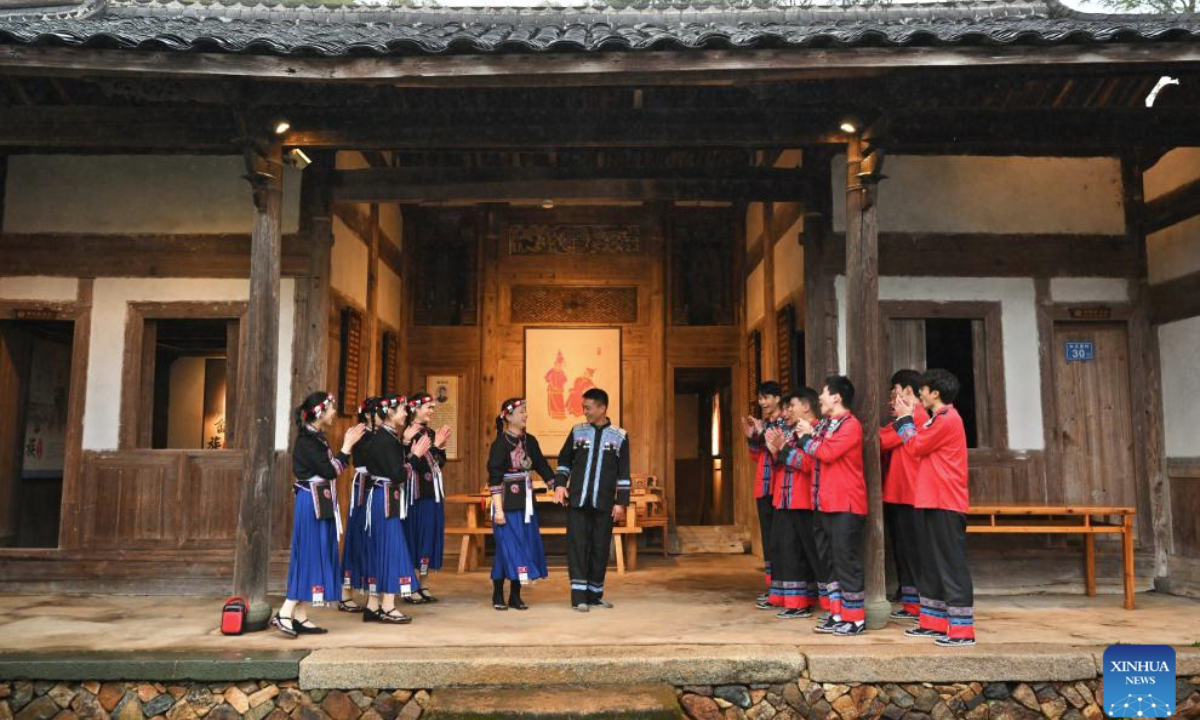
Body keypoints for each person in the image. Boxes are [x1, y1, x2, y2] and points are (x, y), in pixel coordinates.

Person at [271, 391, 366, 638]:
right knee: (310, 554)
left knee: (313, 553)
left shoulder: (316, 438)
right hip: (311, 503)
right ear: (320, 412)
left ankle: (300, 615)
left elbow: (331, 469)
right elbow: (330, 471)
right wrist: (346, 447)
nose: (334, 412)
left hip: (318, 502)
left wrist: (345, 449)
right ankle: (285, 612)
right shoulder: (307, 442)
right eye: (331, 408)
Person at [893, 368, 976, 647]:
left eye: (924, 390)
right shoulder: (937, 418)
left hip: (946, 500)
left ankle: (962, 630)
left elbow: (915, 447)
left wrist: (905, 418)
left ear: (936, 393)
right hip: (931, 498)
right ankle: (933, 622)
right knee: (930, 563)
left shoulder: (947, 418)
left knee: (951, 565)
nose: (921, 394)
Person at [791, 375, 868, 636]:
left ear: (836, 397)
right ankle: (837, 613)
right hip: (823, 502)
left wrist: (806, 438)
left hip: (845, 504)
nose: (820, 398)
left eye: (823, 393)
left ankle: (855, 619)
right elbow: (814, 452)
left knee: (845, 561)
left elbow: (826, 453)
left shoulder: (851, 425)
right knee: (830, 562)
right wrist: (807, 436)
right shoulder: (826, 424)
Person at [553, 387, 630, 612]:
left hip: (604, 503)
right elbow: (564, 460)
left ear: (602, 408)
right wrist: (560, 484)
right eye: (583, 407)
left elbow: (623, 472)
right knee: (577, 547)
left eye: (588, 408)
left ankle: (595, 595)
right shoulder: (577, 431)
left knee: (600, 549)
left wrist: (621, 502)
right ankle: (579, 597)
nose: (584, 411)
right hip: (577, 502)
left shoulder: (620, 436)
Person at [364, 394, 432, 624]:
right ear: (390, 413)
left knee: (381, 549)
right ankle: (388, 606)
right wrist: (415, 456)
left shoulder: (386, 437)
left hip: (382, 497)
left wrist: (404, 446)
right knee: (392, 549)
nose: (406, 413)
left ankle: (373, 605)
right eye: (403, 409)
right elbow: (398, 474)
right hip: (385, 498)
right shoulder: (386, 439)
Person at [487, 397, 556, 610]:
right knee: (506, 546)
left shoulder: (530, 441)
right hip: (505, 505)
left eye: (526, 411)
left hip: (526, 505)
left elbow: (542, 466)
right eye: (521, 412)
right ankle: (498, 592)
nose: (526, 415)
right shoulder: (500, 444)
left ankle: (515, 595)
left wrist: (557, 487)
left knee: (524, 543)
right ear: (508, 417)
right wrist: (498, 511)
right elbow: (494, 478)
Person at [763, 388, 823, 619]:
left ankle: (812, 602)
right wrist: (775, 451)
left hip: (804, 499)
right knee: (787, 551)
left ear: (806, 406)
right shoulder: (791, 431)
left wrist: (783, 449)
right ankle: (794, 601)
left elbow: (810, 464)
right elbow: (782, 462)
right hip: (785, 498)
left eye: (791, 406)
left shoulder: (815, 430)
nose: (787, 412)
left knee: (806, 553)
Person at [879, 369, 928, 622]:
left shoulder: (916, 416)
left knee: (914, 551)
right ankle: (911, 603)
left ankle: (919, 604)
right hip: (899, 492)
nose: (892, 400)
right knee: (904, 551)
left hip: (911, 493)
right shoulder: (907, 417)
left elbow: (882, 440)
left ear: (908, 391)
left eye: (895, 393)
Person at [404, 392, 452, 603]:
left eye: (433, 407)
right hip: (416, 493)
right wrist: (435, 446)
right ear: (415, 408)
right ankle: (410, 585)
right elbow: (418, 463)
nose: (432, 410)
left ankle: (423, 583)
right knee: (415, 535)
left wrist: (439, 446)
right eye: (428, 407)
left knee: (429, 536)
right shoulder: (407, 433)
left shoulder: (431, 432)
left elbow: (439, 463)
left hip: (432, 491)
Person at [742, 381, 787, 605]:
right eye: (760, 398)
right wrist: (752, 437)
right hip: (764, 487)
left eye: (766, 397)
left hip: (780, 489)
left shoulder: (785, 423)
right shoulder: (767, 423)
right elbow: (756, 456)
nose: (762, 402)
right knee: (769, 541)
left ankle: (782, 590)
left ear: (778, 398)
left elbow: (782, 454)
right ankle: (773, 588)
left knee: (780, 541)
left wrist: (763, 432)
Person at [338, 396, 377, 614]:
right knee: (358, 535)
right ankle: (346, 593)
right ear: (369, 415)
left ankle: (368, 590)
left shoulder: (378, 433)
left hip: (374, 487)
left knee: (370, 538)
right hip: (364, 488)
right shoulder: (361, 433)